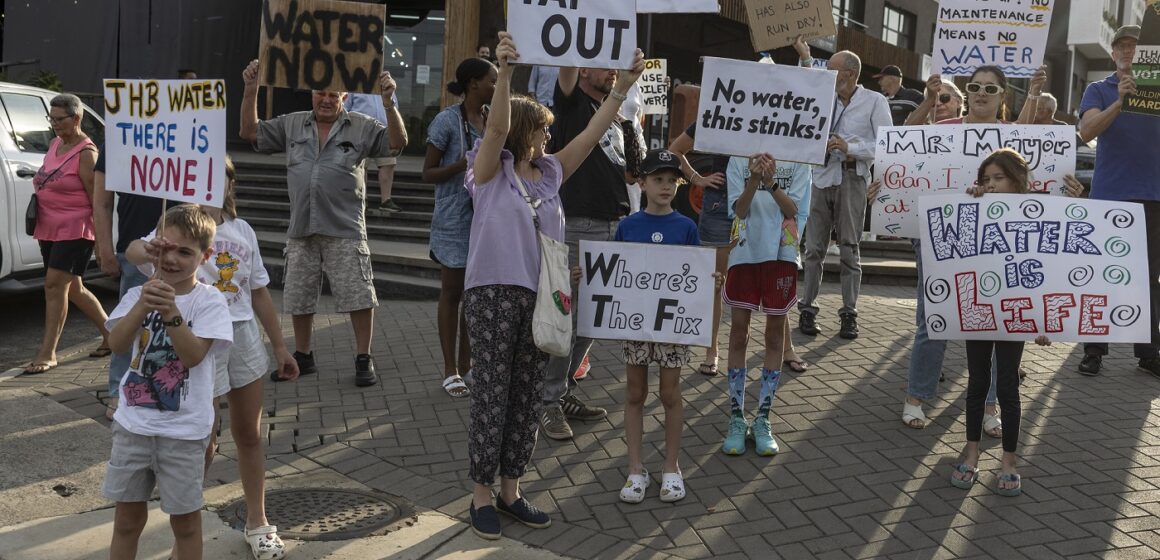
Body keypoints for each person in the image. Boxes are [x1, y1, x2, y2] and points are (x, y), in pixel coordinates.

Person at [463, 32, 644, 539]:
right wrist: (506, 74)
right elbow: (497, 128)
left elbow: (590, 137)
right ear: (523, 133)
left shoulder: (550, 174)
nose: (548, 137)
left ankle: (511, 491)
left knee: (524, 398)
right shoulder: (488, 171)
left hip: (542, 299)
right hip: (493, 294)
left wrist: (619, 90)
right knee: (492, 396)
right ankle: (480, 497)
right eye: (540, 131)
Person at [126, 159, 299, 560]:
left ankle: (257, 521)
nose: (206, 184)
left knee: (250, 434)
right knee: (203, 437)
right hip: (195, 336)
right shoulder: (177, 229)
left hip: (242, 336)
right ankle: (186, 526)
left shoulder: (243, 231)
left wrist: (279, 346)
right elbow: (135, 249)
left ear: (229, 184)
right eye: (197, 175)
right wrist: (149, 247)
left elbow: (259, 293)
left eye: (215, 176)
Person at [897, 64, 1078, 433]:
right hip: (943, 237)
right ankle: (917, 396)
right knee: (932, 317)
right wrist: (931, 99)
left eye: (991, 88)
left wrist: (1070, 194)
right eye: (974, 86)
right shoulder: (943, 129)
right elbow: (902, 142)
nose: (981, 93)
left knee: (1002, 322)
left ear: (1001, 96)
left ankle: (992, 405)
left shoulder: (1016, 137)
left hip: (1001, 243)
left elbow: (1035, 183)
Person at [239, 60, 407, 387]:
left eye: (333, 94)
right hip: (302, 228)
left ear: (344, 95)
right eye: (320, 93)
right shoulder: (292, 124)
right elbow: (250, 133)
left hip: (345, 228)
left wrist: (388, 101)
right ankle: (303, 355)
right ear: (311, 94)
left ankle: (363, 357)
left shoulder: (361, 125)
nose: (326, 100)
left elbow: (397, 143)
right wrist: (250, 90)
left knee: (358, 295)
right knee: (299, 296)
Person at [103, 204, 233, 560]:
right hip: (134, 426)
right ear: (154, 247)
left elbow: (193, 356)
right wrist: (142, 306)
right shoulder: (136, 296)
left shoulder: (210, 302)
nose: (172, 259)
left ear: (205, 256)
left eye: (185, 252)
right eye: (166, 248)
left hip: (184, 433)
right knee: (127, 520)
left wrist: (171, 313)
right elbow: (116, 344)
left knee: (186, 523)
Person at [538, 54, 644, 441]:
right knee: (566, 318)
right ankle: (546, 403)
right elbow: (566, 64)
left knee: (592, 320)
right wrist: (580, 30)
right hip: (578, 227)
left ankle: (561, 393)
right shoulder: (570, 103)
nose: (611, 71)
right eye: (603, 64)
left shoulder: (609, 113)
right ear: (583, 70)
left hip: (611, 226)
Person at [949, 148, 1053, 497]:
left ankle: (1009, 462)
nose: (991, 185)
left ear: (1017, 180)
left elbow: (1046, 271)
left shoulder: (1037, 215)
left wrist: (1043, 321)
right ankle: (972, 453)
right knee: (978, 383)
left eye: (999, 178)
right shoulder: (973, 208)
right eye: (986, 179)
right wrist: (970, 203)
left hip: (1015, 314)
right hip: (979, 310)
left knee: (1007, 386)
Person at [613, 149, 699, 504]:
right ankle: (636, 469)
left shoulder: (686, 227)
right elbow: (614, 271)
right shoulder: (628, 226)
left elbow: (693, 276)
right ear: (643, 183)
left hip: (673, 327)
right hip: (636, 324)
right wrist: (588, 275)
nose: (665, 186)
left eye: (671, 180)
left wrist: (710, 277)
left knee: (669, 393)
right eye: (658, 179)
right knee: (634, 393)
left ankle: (671, 467)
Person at [1076, 24, 1160, 377]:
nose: (1127, 52)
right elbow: (1087, 131)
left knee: (1149, 277)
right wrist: (1120, 102)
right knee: (1100, 276)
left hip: (1154, 195)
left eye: (1134, 47)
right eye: (1121, 47)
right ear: (1113, 54)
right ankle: (1094, 350)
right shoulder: (1099, 88)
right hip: (1110, 194)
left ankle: (1149, 352)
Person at [794, 50, 891, 340]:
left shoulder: (875, 101)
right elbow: (802, 88)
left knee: (849, 248)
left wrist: (851, 148)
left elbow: (887, 144)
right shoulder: (825, 98)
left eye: (832, 69)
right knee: (813, 249)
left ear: (849, 73)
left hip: (852, 177)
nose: (828, 74)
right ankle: (807, 308)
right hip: (822, 177)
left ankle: (849, 313)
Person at [720, 152, 811, 456]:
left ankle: (763, 418)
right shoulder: (737, 158)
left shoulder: (800, 158)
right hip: (744, 252)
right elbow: (740, 211)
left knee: (774, 335)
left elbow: (793, 209)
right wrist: (754, 179)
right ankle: (736, 417)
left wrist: (771, 182)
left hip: (782, 254)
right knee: (738, 332)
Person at [422, 58, 496, 398]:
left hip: (485, 219)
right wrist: (461, 165)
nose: (496, 86)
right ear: (472, 83)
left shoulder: (492, 119)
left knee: (474, 295)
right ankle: (450, 369)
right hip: (453, 219)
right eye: (491, 80)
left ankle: (467, 366)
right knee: (452, 292)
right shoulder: (447, 121)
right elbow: (428, 172)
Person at [23, 93, 106, 375]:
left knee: (54, 286)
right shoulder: (54, 143)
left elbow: (98, 198)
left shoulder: (86, 153)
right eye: (51, 118)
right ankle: (112, 334)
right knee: (74, 288)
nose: (54, 124)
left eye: (60, 119)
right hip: (49, 226)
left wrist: (101, 241)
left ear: (77, 118)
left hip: (76, 228)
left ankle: (48, 353)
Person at [346, 92, 403, 213]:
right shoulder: (354, 86)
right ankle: (362, 200)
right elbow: (345, 108)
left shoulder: (386, 87)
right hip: (360, 130)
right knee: (361, 166)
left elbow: (395, 107)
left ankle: (386, 200)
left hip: (384, 131)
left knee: (388, 163)